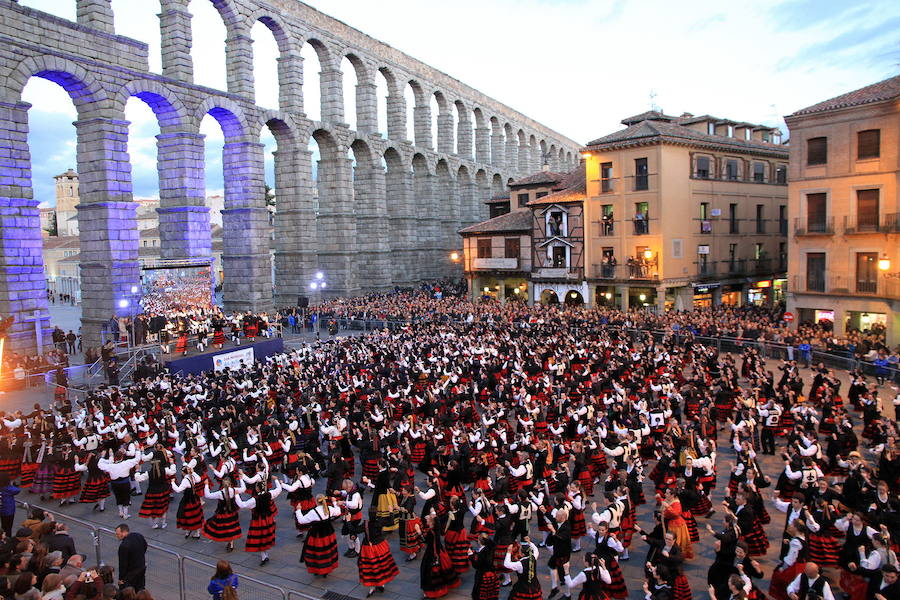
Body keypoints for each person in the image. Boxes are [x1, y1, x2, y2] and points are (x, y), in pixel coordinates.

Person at [115, 523, 147, 591]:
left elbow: (123, 565)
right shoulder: (138, 535)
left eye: (118, 534)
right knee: (140, 588)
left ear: (123, 532)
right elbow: (145, 546)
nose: (116, 536)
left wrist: (121, 579)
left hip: (130, 574)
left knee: (129, 592)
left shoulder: (123, 546)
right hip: (141, 568)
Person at [0, 472, 20, 538]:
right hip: (8, 511)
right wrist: (12, 485)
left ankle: (2, 536)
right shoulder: (8, 488)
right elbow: (17, 490)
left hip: (1, 509)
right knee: (8, 527)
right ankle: (7, 538)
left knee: (3, 525)